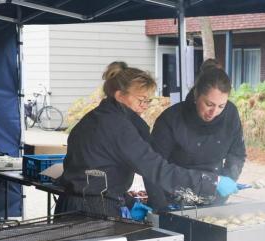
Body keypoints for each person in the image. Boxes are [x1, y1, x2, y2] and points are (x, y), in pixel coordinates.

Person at [56, 61, 238, 221]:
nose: (144, 107)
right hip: (94, 214)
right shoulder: (118, 127)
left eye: (148, 101)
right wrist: (212, 182)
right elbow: (157, 169)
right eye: (141, 100)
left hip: (70, 206)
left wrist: (127, 202)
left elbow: (97, 171)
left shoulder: (92, 119)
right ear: (120, 96)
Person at [147, 66, 246, 211]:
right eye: (209, 104)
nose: (214, 112)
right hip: (173, 194)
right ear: (196, 94)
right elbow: (152, 167)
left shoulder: (230, 114)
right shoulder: (171, 119)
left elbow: (237, 154)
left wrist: (225, 185)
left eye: (221, 106)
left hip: (213, 192)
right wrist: (161, 207)